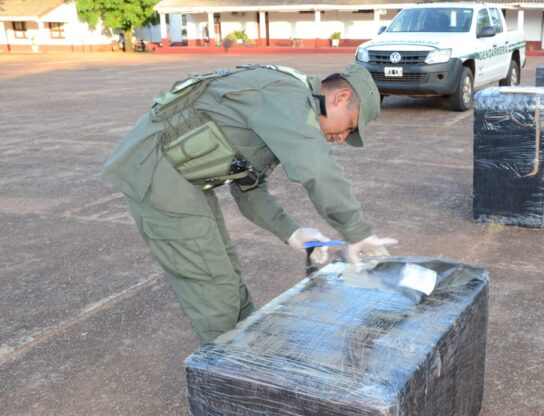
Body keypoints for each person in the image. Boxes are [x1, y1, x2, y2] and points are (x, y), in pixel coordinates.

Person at [102, 63, 397, 344]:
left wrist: (292, 232)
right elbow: (317, 169)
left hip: (180, 175)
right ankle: (222, 372)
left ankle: (246, 356)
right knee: (214, 290)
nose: (342, 138)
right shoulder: (286, 96)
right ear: (340, 98)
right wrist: (357, 231)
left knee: (227, 275)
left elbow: (248, 188)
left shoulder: (284, 110)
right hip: (156, 172)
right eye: (350, 126)